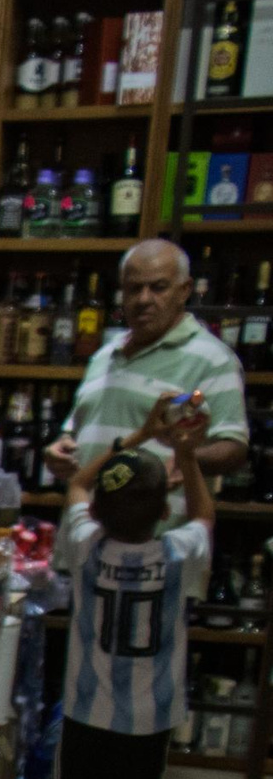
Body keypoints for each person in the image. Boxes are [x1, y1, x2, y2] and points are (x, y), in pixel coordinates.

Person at [49, 393, 215, 779]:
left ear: (101, 509)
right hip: (151, 716)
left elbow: (74, 487)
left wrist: (138, 436)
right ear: (160, 508)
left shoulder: (87, 546)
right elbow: (205, 517)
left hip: (88, 711)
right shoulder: (177, 552)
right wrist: (188, 458)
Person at [44, 241, 250, 568]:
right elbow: (75, 431)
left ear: (184, 290)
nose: (143, 299)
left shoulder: (213, 359)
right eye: (133, 289)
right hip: (85, 547)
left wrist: (184, 458)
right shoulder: (104, 355)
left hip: (160, 552)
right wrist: (60, 450)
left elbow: (234, 448)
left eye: (158, 288)